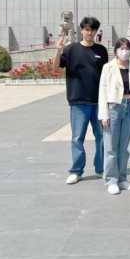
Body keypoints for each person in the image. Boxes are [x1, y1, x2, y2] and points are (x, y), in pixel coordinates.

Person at [53, 16, 108, 185]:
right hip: (78, 102)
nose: (89, 32)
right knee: (77, 138)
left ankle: (101, 169)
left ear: (96, 31)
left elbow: (106, 75)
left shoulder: (101, 50)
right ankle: (76, 171)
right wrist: (58, 50)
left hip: (98, 102)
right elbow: (55, 67)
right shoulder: (71, 49)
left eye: (92, 30)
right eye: (86, 29)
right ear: (82, 30)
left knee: (102, 137)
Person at [98, 38, 130, 195]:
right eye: (121, 48)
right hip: (114, 108)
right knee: (111, 147)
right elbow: (102, 91)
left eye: (127, 48)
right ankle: (111, 180)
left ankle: (122, 178)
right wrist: (104, 114)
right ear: (116, 51)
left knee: (123, 147)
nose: (125, 51)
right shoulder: (108, 67)